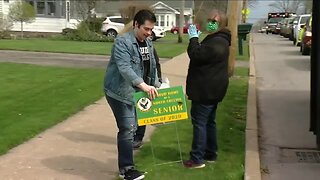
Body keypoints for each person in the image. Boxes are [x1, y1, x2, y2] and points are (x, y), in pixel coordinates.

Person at [103, 9, 160, 180]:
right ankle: (126, 170)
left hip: (137, 91)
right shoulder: (122, 42)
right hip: (119, 92)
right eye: (146, 29)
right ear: (136, 24)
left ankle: (127, 164)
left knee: (135, 126)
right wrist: (143, 86)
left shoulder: (148, 42)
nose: (149, 33)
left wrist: (157, 85)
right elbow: (125, 68)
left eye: (151, 29)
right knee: (127, 128)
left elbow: (152, 66)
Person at [183, 9, 231, 169]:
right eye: (210, 20)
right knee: (209, 122)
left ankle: (197, 159)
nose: (210, 23)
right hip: (213, 89)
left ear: (221, 24)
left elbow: (196, 54)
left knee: (200, 123)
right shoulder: (219, 39)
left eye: (214, 21)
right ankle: (211, 153)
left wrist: (194, 38)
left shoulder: (217, 42)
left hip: (205, 90)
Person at [133, 47, 162, 149]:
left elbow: (156, 64)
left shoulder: (149, 47)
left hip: (146, 83)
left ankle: (138, 138)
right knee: (131, 112)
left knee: (142, 110)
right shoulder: (128, 45)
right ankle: (131, 136)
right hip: (132, 83)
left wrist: (159, 80)